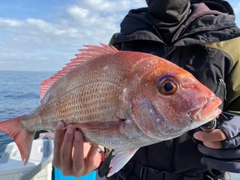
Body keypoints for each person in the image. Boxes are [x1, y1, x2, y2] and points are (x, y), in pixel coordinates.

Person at [52, 0, 240, 179]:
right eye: (168, 87)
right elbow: (102, 115)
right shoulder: (121, 42)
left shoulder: (232, 41)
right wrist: (98, 151)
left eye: (168, 87)